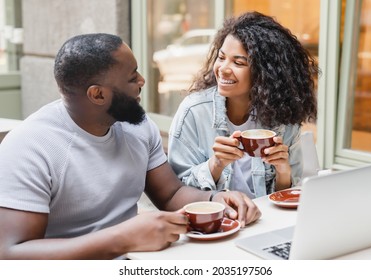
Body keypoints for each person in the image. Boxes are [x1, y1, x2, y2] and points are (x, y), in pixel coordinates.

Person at [0, 33, 261, 260]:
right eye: (131, 76)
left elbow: (170, 195)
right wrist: (122, 239)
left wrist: (215, 200)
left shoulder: (136, 124)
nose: (142, 80)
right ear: (98, 94)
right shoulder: (29, 148)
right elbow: (11, 254)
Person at [168, 11, 319, 199]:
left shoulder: (283, 117)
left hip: (265, 222)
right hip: (218, 223)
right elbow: (175, 191)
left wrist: (283, 172)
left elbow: (290, 197)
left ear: (265, 73)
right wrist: (216, 165)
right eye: (221, 58)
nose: (223, 69)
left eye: (238, 62)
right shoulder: (194, 111)